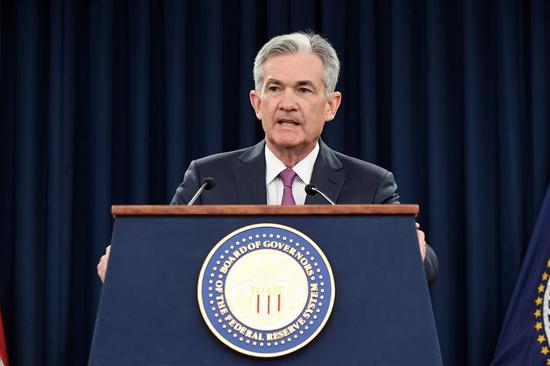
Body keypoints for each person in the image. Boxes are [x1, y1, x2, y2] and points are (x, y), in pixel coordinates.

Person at [97, 32, 438, 284]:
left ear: (331, 105)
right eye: (274, 89)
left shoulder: (370, 184)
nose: (287, 103)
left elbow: (426, 270)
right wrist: (129, 267)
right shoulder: (208, 179)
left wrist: (413, 252)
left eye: (303, 90)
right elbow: (162, 254)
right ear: (257, 103)